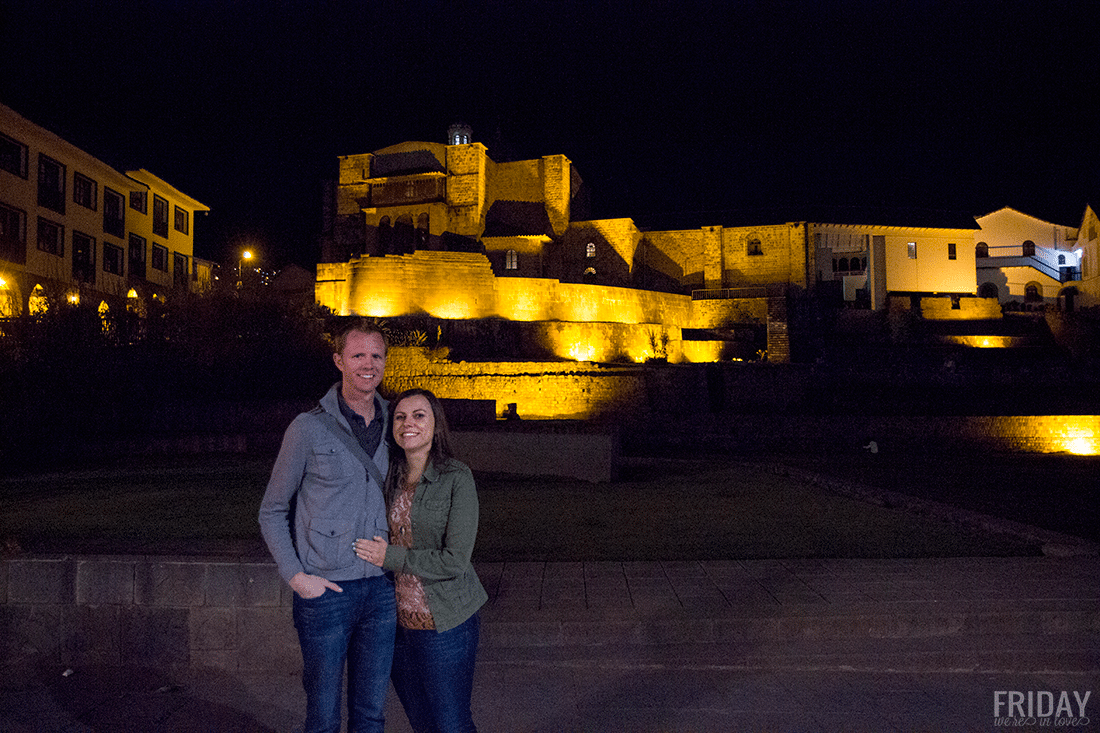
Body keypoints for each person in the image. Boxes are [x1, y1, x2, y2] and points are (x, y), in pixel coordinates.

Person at [258, 319, 396, 733]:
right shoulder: (307, 428)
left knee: (371, 714)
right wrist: (296, 576)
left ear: (386, 362)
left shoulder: (398, 423)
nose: (367, 364)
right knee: (322, 716)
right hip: (326, 591)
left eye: (376, 355)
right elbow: (272, 509)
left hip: (382, 590)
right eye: (357, 355)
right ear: (338, 360)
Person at [354, 388, 487, 733]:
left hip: (444, 624)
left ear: (436, 425)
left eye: (418, 415)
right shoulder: (388, 477)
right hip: (395, 626)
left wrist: (390, 556)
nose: (407, 423)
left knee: (451, 723)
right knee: (422, 722)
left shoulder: (456, 477)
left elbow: (455, 561)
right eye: (400, 416)